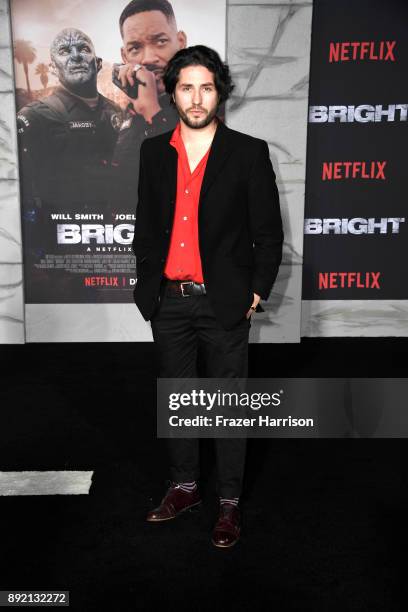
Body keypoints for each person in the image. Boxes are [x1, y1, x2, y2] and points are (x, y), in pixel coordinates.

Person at [132, 45, 283, 547]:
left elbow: (268, 232)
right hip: (169, 302)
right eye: (186, 87)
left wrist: (256, 292)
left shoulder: (248, 151)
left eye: (207, 87)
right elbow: (147, 227)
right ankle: (186, 487)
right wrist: (146, 284)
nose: (196, 98)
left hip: (225, 303)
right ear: (172, 92)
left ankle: (230, 503)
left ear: (220, 92)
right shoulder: (154, 152)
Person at [17, 28, 122, 302]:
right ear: (52, 68)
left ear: (97, 62)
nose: (76, 56)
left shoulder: (116, 113)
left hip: (110, 244)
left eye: (84, 49)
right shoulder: (35, 117)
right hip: (58, 255)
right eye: (65, 52)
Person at [112, 0, 187, 206]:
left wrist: (152, 114)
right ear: (124, 56)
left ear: (181, 43)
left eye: (160, 42)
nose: (148, 59)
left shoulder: (209, 105)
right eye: (135, 48)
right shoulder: (130, 109)